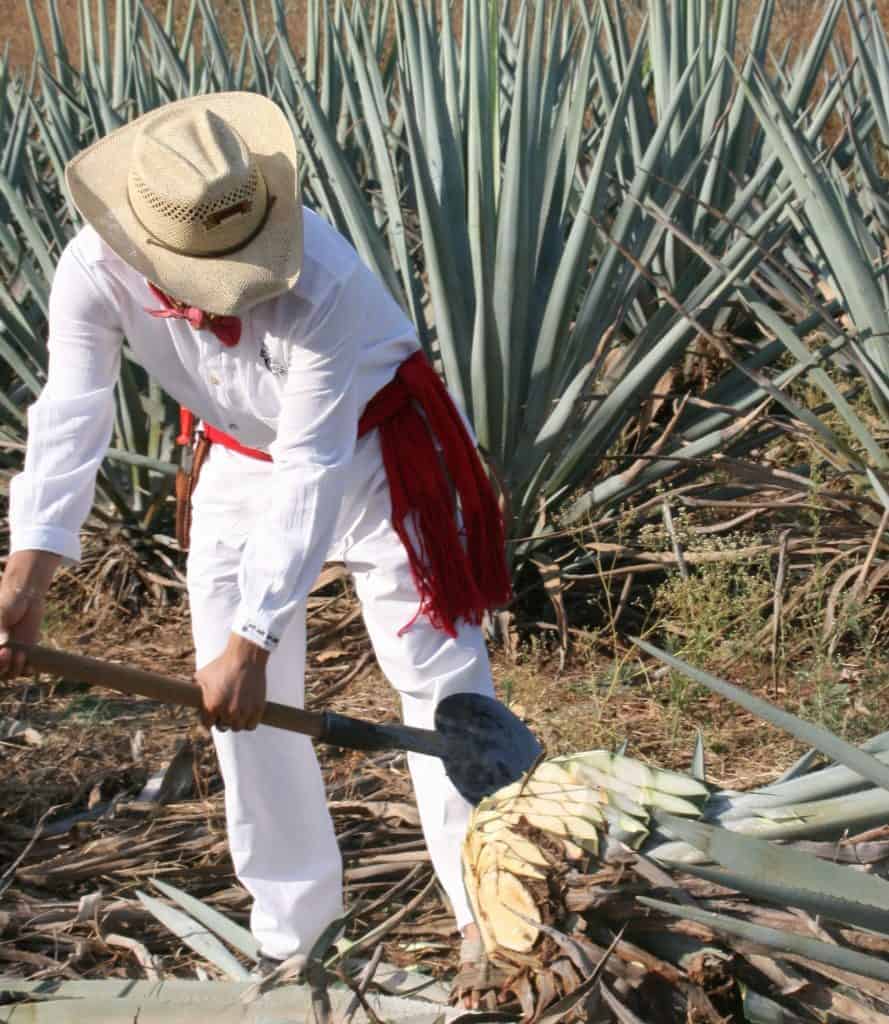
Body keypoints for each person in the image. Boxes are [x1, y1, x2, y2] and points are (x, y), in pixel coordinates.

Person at [0, 92, 511, 1004]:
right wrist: (26, 574)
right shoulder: (93, 267)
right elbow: (71, 414)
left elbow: (313, 464)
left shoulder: (325, 276)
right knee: (234, 700)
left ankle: (491, 920)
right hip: (239, 461)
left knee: (443, 692)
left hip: (377, 451)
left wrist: (260, 630)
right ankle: (296, 934)